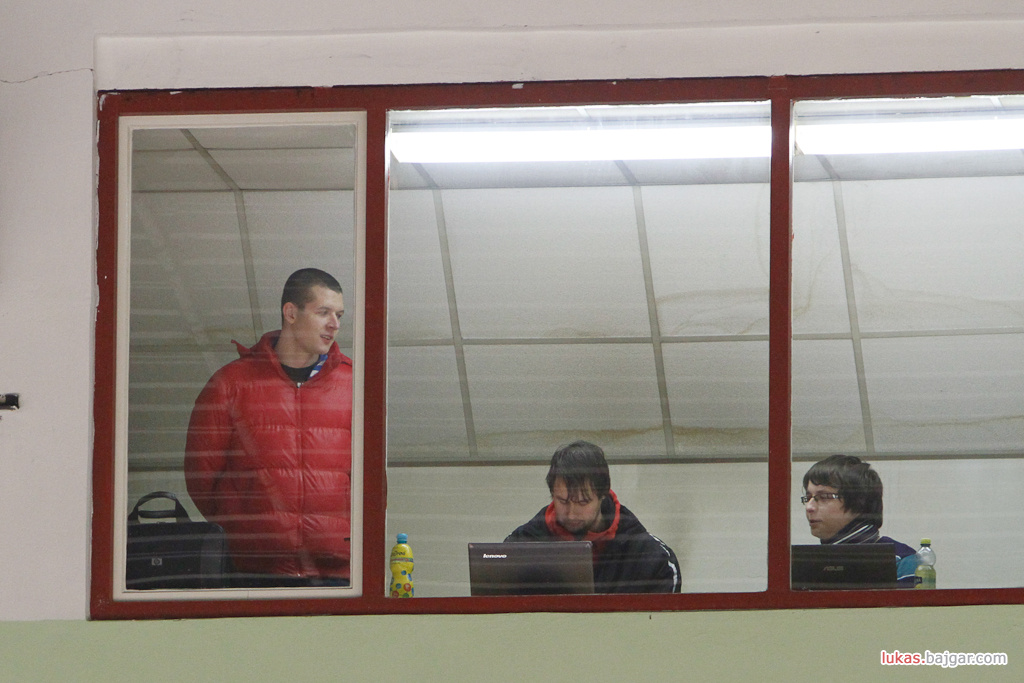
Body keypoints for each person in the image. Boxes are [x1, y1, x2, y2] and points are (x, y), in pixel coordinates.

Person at [185, 268, 353, 587]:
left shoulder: (355, 385)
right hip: (253, 573)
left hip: (336, 573)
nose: (335, 324)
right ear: (291, 313)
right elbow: (201, 477)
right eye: (323, 312)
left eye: (339, 315)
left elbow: (373, 485)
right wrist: (244, 532)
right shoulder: (230, 384)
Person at [505, 440, 681, 593]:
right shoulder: (517, 549)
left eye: (583, 502)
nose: (571, 513)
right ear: (552, 494)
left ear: (603, 495)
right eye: (563, 501)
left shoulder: (652, 559)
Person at [801, 454, 918, 586]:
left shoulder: (901, 559)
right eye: (808, 498)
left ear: (859, 502)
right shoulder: (805, 564)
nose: (809, 507)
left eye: (824, 497)